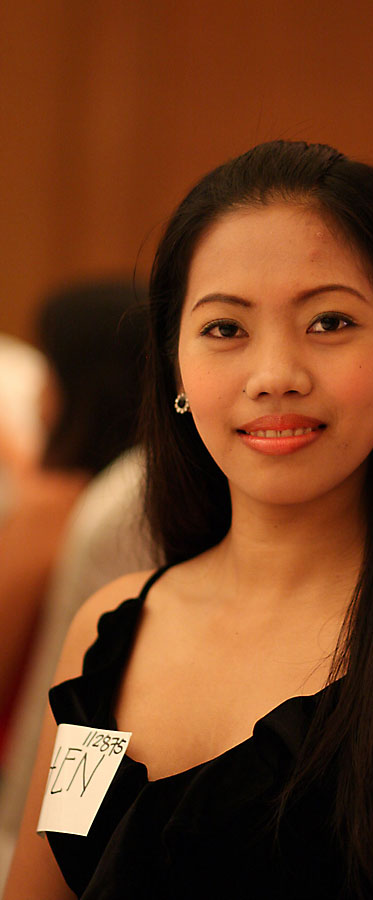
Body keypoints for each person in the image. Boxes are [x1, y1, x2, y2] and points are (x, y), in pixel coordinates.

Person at [4, 141, 373, 899]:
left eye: (328, 322)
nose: (275, 376)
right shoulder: (109, 632)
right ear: (174, 366)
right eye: (225, 329)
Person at [0, 281, 146, 759]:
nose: (36, 392)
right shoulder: (141, 491)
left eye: (49, 370)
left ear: (83, 387)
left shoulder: (56, 506)